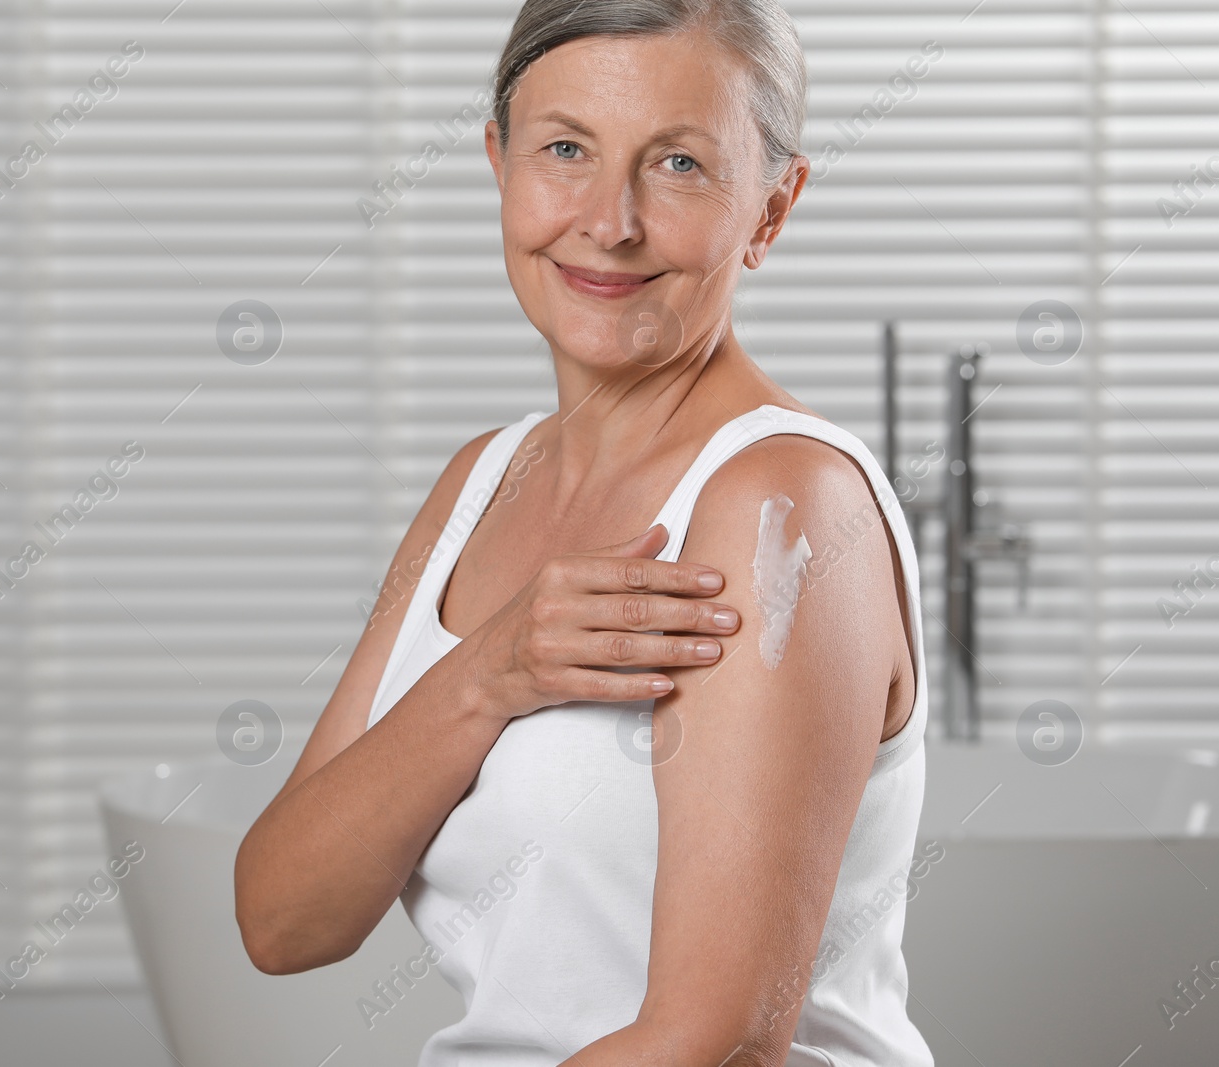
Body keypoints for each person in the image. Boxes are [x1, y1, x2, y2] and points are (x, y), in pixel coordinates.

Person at [236, 2, 933, 1064]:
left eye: (680, 165)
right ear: (498, 163)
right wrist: (490, 671)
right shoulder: (482, 479)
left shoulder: (781, 502)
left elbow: (719, 1041)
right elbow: (284, 918)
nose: (608, 221)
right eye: (565, 149)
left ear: (771, 209)